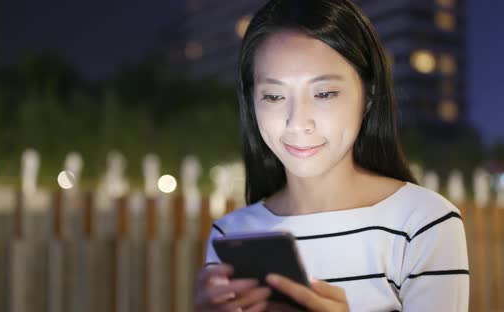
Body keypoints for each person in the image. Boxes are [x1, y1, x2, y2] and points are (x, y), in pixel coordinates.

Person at [193, 0, 469, 311]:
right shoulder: (233, 234)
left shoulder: (422, 223)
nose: (298, 121)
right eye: (273, 96)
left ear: (368, 96)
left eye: (324, 93)